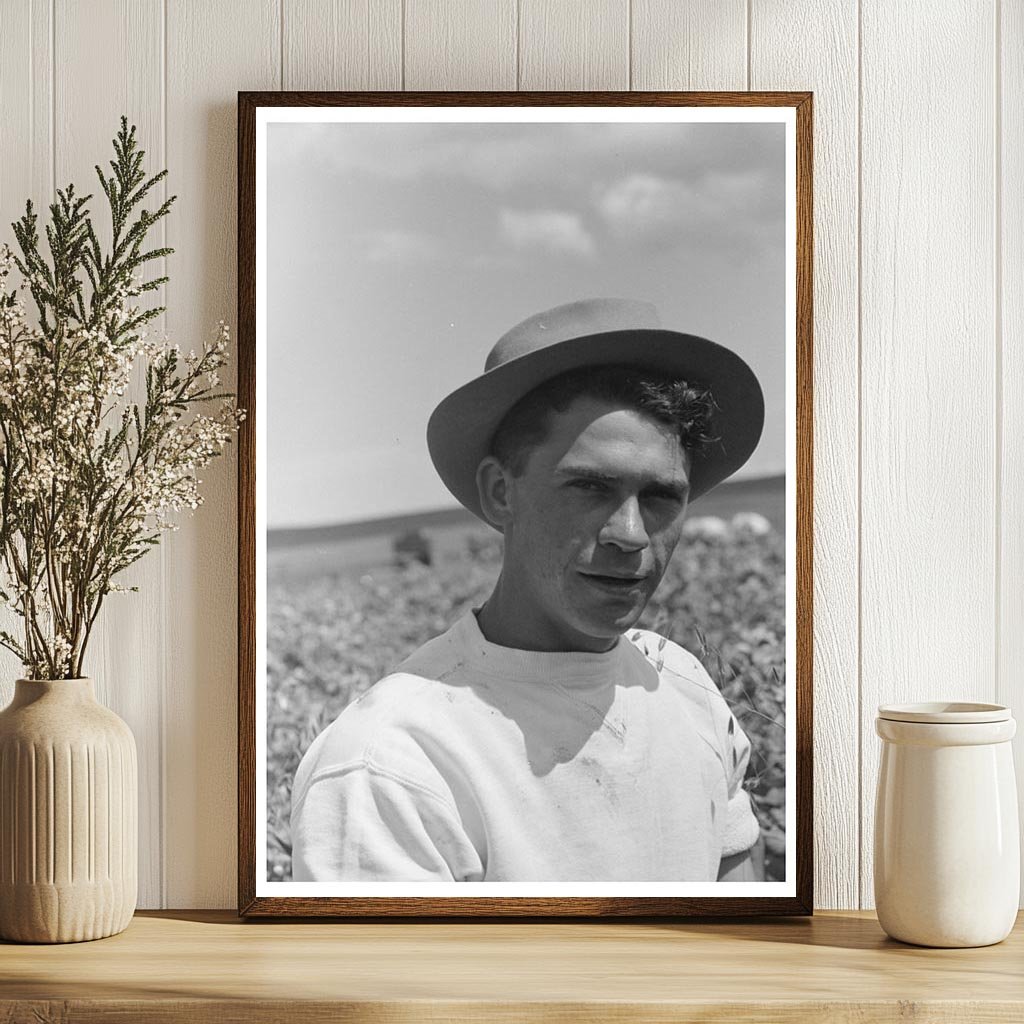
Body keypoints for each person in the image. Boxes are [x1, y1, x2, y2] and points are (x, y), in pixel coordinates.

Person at [291, 297, 767, 882]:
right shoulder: (395, 761)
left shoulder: (685, 685)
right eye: (589, 487)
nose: (631, 534)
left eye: (662, 496)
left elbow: (741, 923)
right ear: (500, 493)